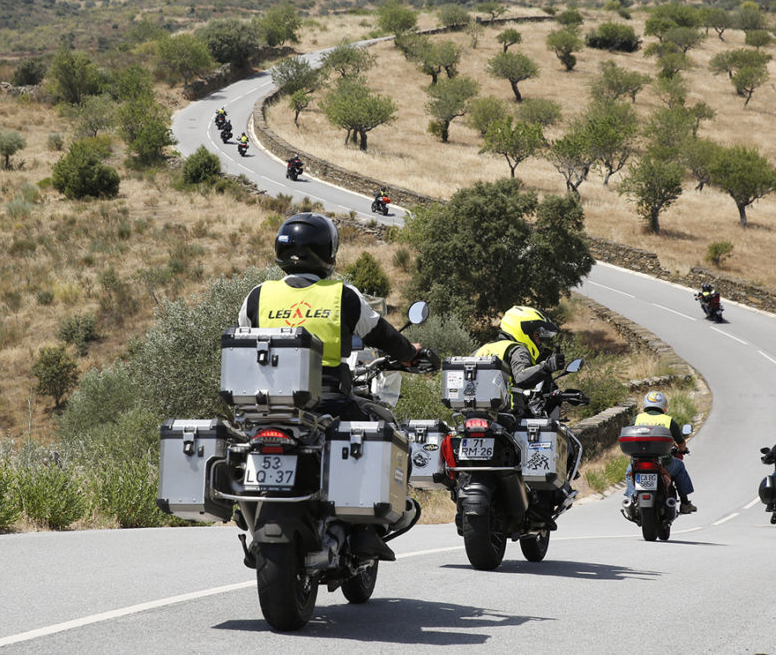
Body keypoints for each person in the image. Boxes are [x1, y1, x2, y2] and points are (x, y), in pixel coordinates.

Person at [237, 212, 432, 559]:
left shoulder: (257, 296)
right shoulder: (343, 296)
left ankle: (246, 508)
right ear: (328, 252)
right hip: (328, 401)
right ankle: (366, 531)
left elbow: (242, 339)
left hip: (265, 407)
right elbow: (383, 335)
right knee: (381, 430)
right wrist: (410, 355)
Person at [474, 305, 565, 417]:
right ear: (522, 330)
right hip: (509, 414)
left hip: (475, 413)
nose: (539, 342)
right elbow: (522, 378)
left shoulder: (480, 350)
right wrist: (547, 366)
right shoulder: (517, 349)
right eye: (536, 335)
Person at [622, 391, 697, 514]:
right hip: (663, 462)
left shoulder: (637, 419)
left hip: (639, 461)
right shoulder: (668, 421)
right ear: (664, 405)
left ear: (645, 404)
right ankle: (685, 503)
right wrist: (682, 450)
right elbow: (681, 443)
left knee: (629, 472)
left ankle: (631, 500)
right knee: (679, 467)